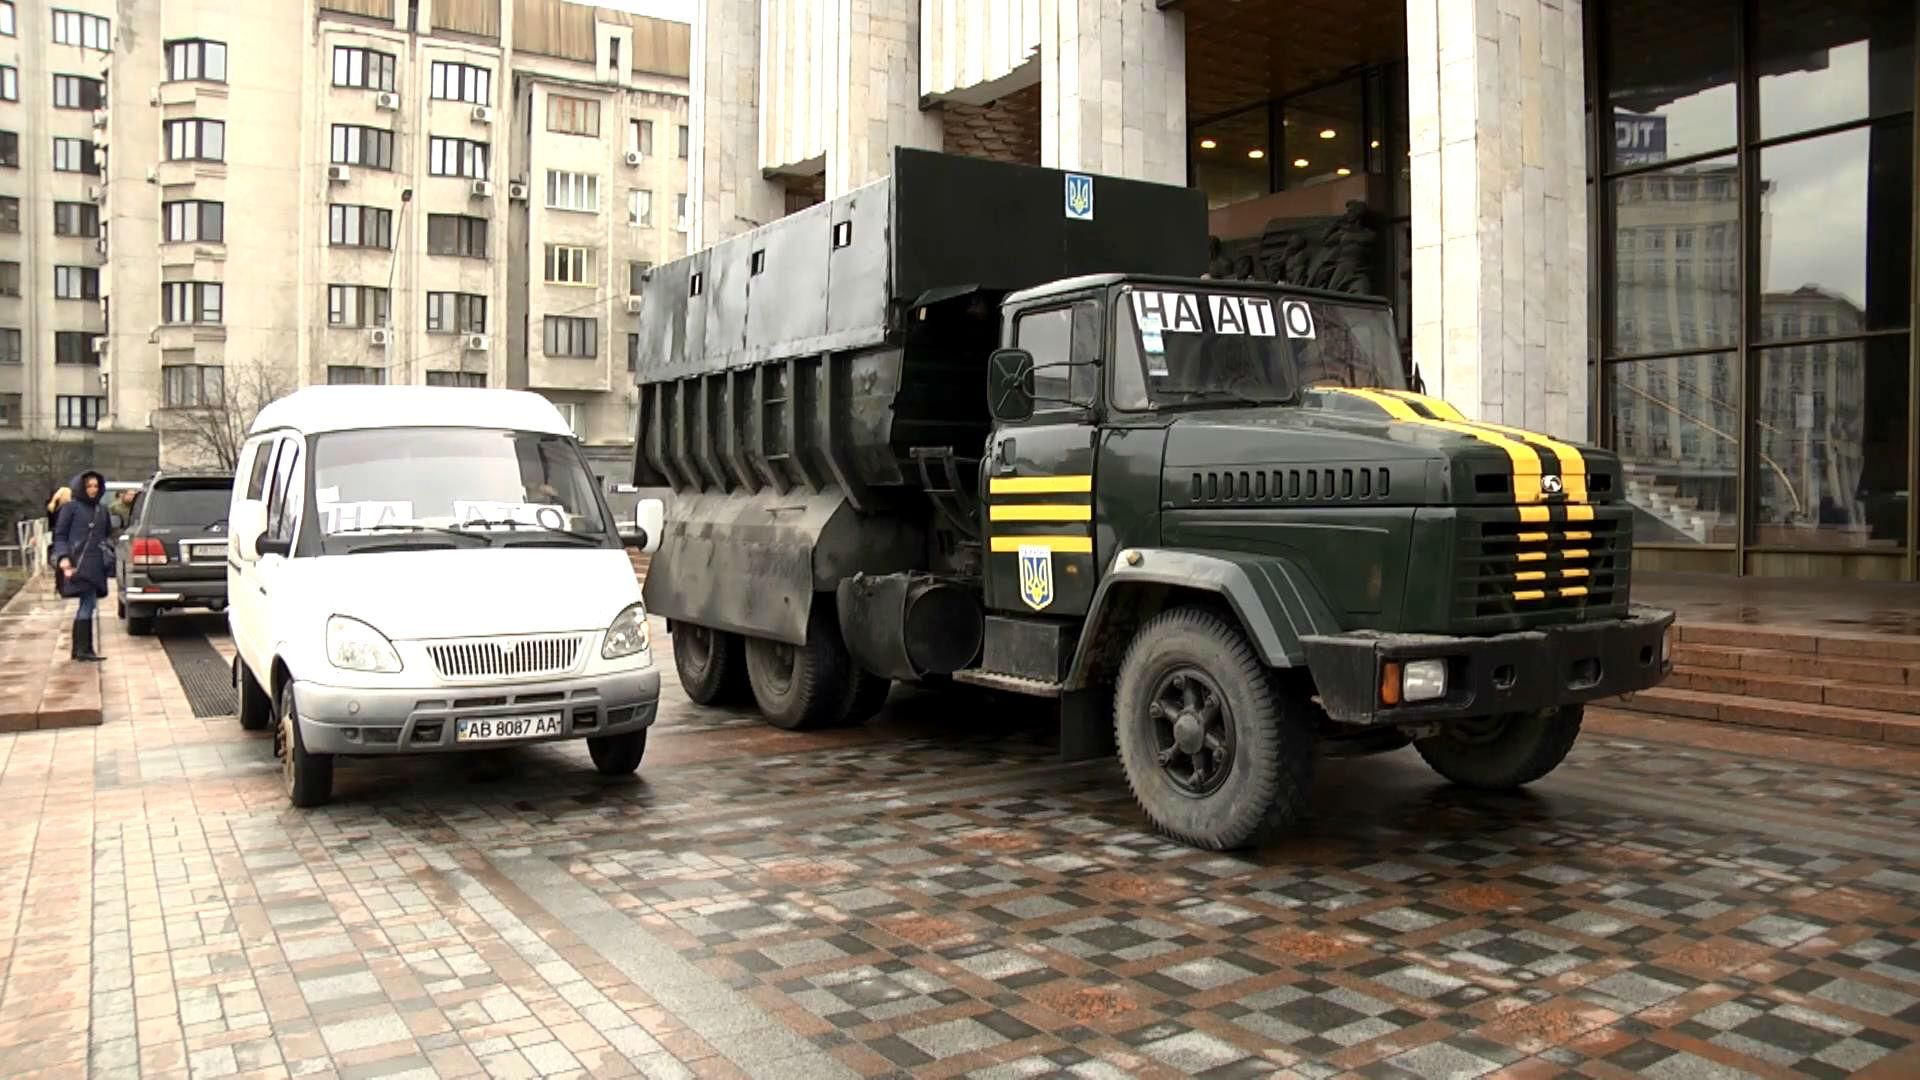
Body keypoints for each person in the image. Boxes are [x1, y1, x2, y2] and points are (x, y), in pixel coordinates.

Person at [51, 471, 115, 663]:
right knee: (87, 603)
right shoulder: (71, 508)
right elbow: (60, 535)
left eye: (96, 486)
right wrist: (63, 558)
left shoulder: (102, 510)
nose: (93, 490)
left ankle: (82, 648)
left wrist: (108, 553)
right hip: (78, 563)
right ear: (81, 487)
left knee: (90, 603)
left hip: (96, 564)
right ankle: (83, 649)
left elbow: (106, 535)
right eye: (89, 486)